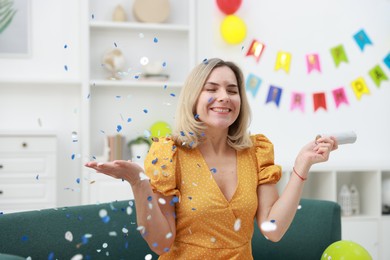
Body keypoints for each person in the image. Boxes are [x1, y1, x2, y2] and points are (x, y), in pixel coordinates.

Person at [85, 58, 337, 259]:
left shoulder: (256, 152)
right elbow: (161, 244)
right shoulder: (169, 155)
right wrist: (139, 183)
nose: (224, 97)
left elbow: (273, 230)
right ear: (194, 98)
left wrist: (301, 167)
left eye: (232, 90)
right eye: (211, 88)